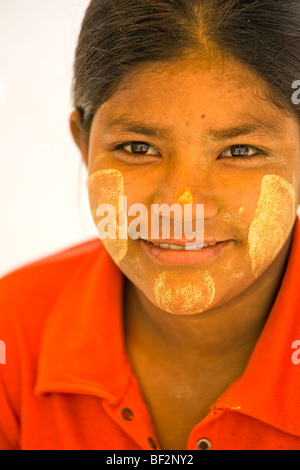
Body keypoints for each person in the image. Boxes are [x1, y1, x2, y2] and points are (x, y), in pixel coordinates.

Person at [1, 0, 300, 451]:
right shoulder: (13, 329)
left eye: (239, 151)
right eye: (138, 148)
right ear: (84, 144)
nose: (182, 206)